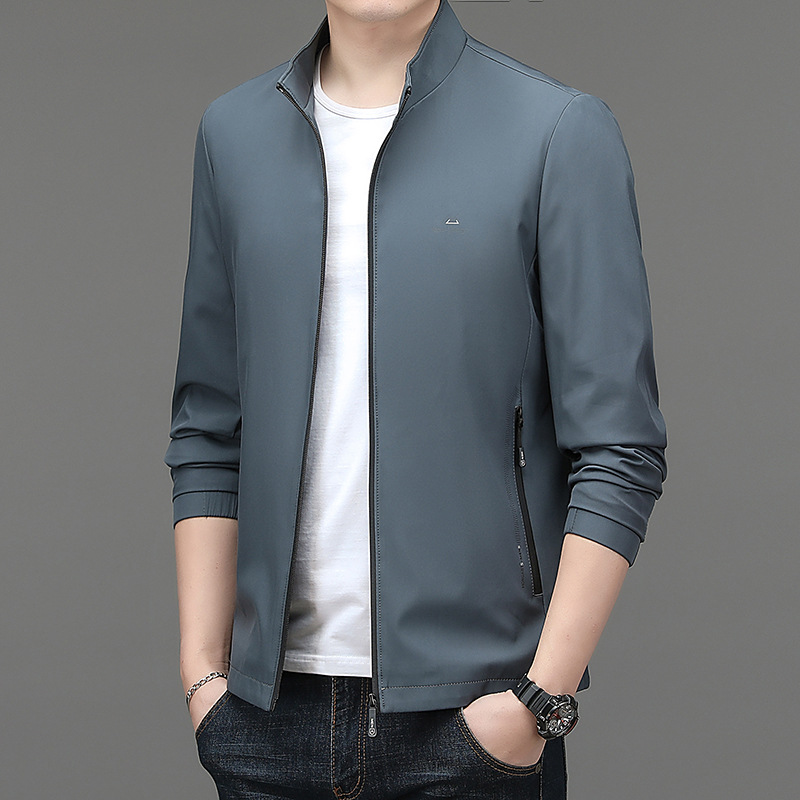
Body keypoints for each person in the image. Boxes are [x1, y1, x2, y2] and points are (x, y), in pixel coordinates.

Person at [164, 0, 668, 797]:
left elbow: (619, 446)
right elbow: (207, 424)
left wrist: (538, 699)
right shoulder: (234, 135)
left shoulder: (556, 131)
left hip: (474, 718)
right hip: (263, 724)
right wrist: (203, 674)